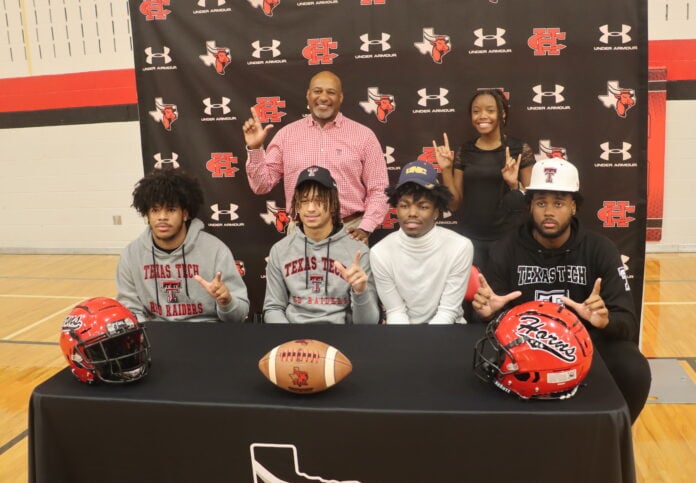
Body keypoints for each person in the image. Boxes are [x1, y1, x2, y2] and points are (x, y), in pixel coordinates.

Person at [472, 158, 651, 423]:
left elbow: (627, 322)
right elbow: (488, 313)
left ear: (573, 206)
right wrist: (487, 314)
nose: (548, 212)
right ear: (530, 206)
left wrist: (604, 321)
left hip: (587, 341)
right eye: (541, 202)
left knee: (633, 368)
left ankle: (617, 441)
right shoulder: (506, 249)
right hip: (525, 346)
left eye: (558, 203)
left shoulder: (600, 249)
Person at [242, 70, 389, 243]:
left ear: (340, 97)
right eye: (318, 91)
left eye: (331, 92)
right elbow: (261, 186)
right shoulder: (286, 135)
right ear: (308, 95)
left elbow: (379, 189)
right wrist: (256, 148)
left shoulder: (363, 136)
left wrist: (365, 227)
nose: (324, 97)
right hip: (299, 235)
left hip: (350, 233)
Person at [116, 168, 249, 323]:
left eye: (171, 209)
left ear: (185, 213)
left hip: (207, 333)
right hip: (155, 336)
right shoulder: (131, 255)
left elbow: (239, 316)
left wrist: (226, 302)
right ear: (147, 214)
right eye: (155, 210)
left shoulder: (216, 251)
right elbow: (129, 310)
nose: (162, 217)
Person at [433, 88, 535, 271]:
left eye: (490, 110)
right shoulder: (465, 151)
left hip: (509, 239)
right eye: (476, 111)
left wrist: (514, 184)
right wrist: (446, 170)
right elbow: (454, 205)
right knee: (474, 296)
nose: (482, 116)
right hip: (471, 239)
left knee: (505, 296)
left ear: (502, 113)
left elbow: (532, 203)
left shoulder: (519, 149)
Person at [263, 165, 379, 324]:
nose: (310, 208)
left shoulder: (358, 252)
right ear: (297, 205)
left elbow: (369, 323)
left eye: (319, 201)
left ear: (333, 203)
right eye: (304, 201)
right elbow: (273, 308)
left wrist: (360, 292)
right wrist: (290, 339)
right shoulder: (280, 250)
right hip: (294, 340)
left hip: (342, 340)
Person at [370, 161, 474, 324]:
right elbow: (396, 311)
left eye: (423, 207)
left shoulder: (460, 247)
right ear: (396, 208)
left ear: (436, 211)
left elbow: (447, 312)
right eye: (404, 205)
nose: (412, 213)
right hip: (402, 333)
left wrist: (427, 344)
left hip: (449, 330)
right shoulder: (380, 252)